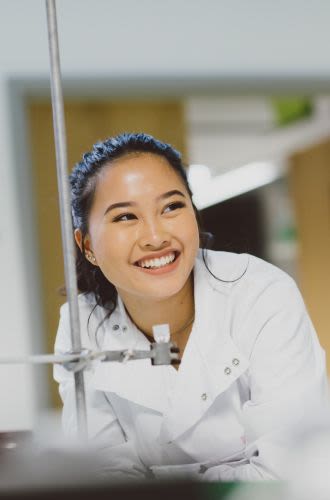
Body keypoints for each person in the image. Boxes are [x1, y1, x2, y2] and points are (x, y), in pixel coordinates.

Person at [54, 132, 329, 481]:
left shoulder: (261, 294)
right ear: (87, 244)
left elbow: (293, 466)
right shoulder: (83, 325)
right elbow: (102, 475)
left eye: (171, 207)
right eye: (125, 217)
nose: (155, 236)